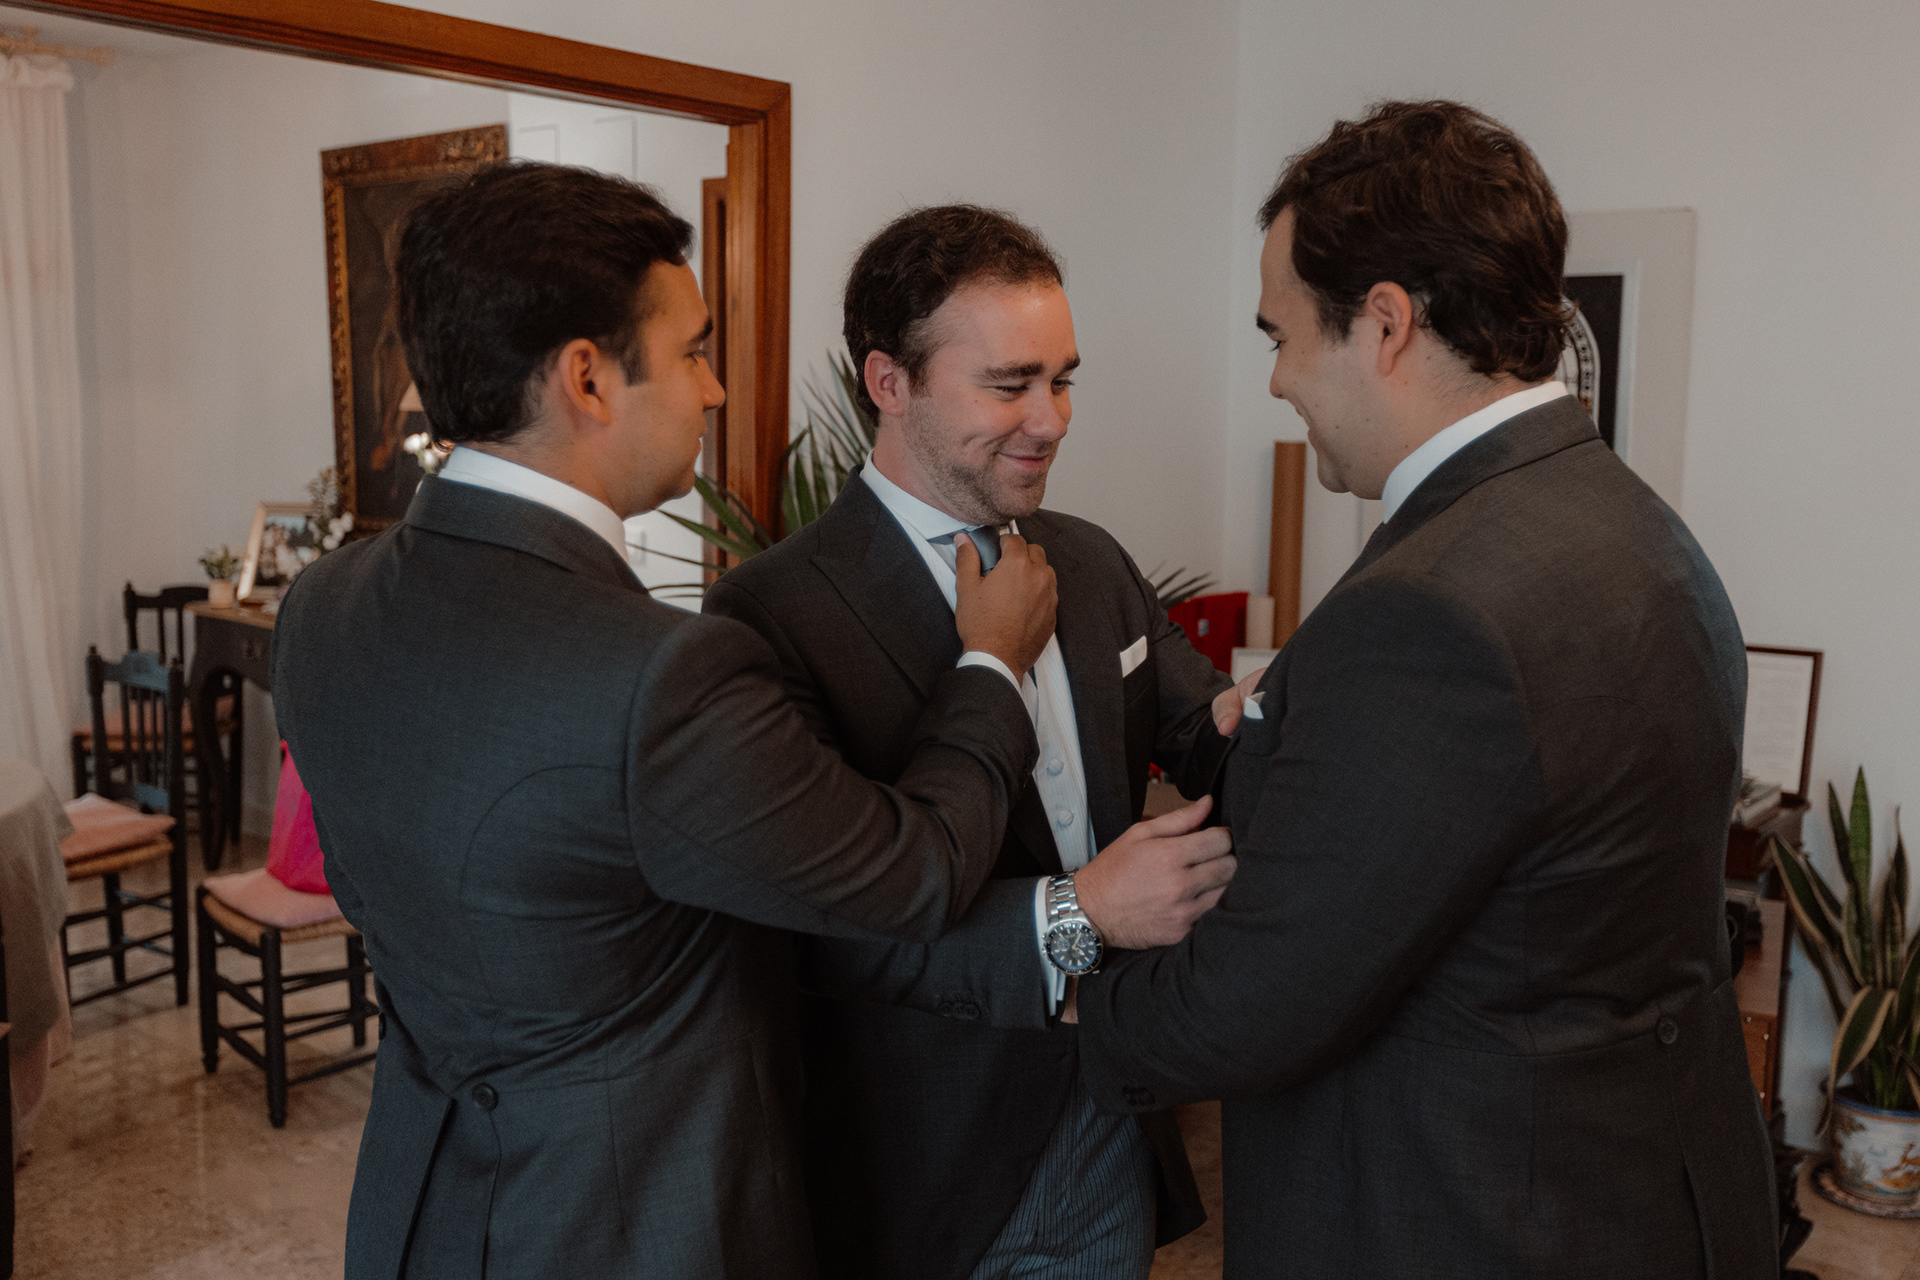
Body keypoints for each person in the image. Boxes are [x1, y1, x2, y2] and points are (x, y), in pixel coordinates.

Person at [270, 165, 1060, 1280]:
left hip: (426, 1211)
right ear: (587, 378)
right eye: (692, 352)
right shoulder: (659, 675)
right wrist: (991, 662)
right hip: (633, 1223)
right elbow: (914, 874)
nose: (718, 390)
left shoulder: (321, 604)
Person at [1068, 101, 1779, 1278]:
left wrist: (1037, 967)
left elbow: (1254, 1005)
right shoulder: (1636, 525)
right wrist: (1289, 732)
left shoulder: (1429, 608)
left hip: (1471, 1219)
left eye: (1282, 335)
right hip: (1648, 1197)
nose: (1278, 381)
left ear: (1386, 323)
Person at [706, 205, 1241, 1280]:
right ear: (888, 381)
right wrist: (1078, 915)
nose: (1052, 419)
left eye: (1064, 379)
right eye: (1009, 384)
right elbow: (814, 930)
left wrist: (1297, 713)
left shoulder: (1091, 560)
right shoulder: (767, 616)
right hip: (916, 1167)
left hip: (1109, 1114)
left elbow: (1205, 731)